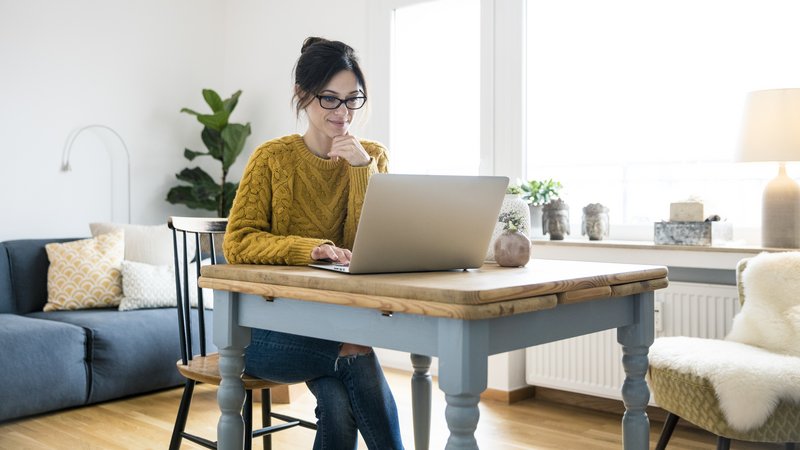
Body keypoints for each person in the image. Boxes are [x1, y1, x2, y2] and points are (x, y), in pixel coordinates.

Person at [223, 37, 404, 450]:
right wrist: (309, 249)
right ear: (302, 96)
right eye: (329, 99)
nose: (343, 113)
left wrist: (361, 171)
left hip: (336, 322)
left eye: (352, 100)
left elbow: (372, 248)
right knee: (357, 351)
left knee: (339, 405)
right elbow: (238, 241)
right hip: (266, 333)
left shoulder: (371, 157)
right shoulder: (272, 159)